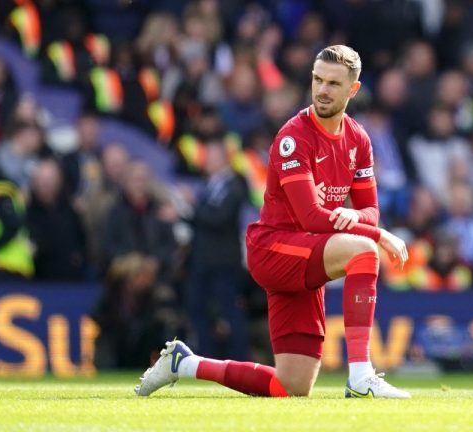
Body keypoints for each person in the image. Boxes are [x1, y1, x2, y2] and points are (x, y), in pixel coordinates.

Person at [135, 45, 410, 399]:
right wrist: (377, 233)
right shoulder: (293, 137)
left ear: (353, 90)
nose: (323, 90)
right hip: (274, 249)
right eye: (317, 80)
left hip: (307, 256)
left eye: (333, 83)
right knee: (364, 252)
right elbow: (311, 216)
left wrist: (357, 216)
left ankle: (184, 364)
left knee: (292, 385)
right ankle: (361, 377)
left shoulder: (358, 138)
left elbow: (370, 209)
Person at [182, 139, 250, 360]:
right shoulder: (210, 186)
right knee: (198, 309)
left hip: (223, 262)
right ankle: (206, 358)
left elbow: (218, 218)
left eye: (210, 156)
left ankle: (239, 359)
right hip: (203, 261)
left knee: (230, 312)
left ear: (223, 159)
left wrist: (191, 206)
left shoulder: (235, 186)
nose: (206, 161)